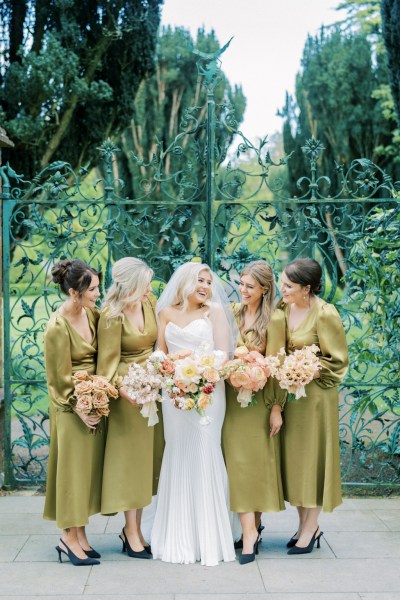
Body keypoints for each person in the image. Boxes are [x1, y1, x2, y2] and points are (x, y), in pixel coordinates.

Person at [150, 262, 238, 566]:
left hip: (208, 394)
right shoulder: (165, 313)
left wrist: (199, 373)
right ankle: (177, 535)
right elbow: (160, 352)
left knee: (204, 452)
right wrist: (171, 370)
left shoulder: (213, 312)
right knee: (177, 453)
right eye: (199, 280)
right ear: (185, 282)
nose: (205, 286)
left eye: (209, 281)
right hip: (173, 395)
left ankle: (210, 537)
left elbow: (223, 355)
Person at [279, 258, 349, 555]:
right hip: (291, 397)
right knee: (296, 463)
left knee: (314, 460)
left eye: (289, 286)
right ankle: (305, 525)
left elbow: (338, 360)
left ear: (306, 288)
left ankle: (310, 529)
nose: (282, 290)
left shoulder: (325, 314)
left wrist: (308, 368)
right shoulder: (283, 309)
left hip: (317, 398)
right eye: (282, 283)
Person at [96, 257, 161, 559]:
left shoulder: (151, 303)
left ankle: (137, 528)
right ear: (131, 285)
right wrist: (126, 391)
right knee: (131, 465)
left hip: (154, 391)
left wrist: (160, 374)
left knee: (147, 464)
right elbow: (106, 365)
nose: (149, 288)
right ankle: (130, 531)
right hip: (127, 396)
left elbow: (159, 344)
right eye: (145, 284)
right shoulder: (111, 315)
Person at [222, 260, 286, 565]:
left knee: (255, 466)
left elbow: (276, 367)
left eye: (250, 286)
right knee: (238, 465)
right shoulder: (232, 313)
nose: (243, 290)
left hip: (259, 402)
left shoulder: (274, 319)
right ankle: (250, 530)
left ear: (264, 289)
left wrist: (276, 408)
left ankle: (252, 531)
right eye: (241, 284)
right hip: (231, 403)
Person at [43, 258, 103, 566]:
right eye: (92, 289)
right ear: (72, 292)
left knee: (84, 473)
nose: (97, 293)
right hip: (69, 407)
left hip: (91, 401)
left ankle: (80, 535)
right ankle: (67, 539)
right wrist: (78, 408)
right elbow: (57, 379)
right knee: (71, 472)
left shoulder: (90, 314)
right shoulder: (57, 326)